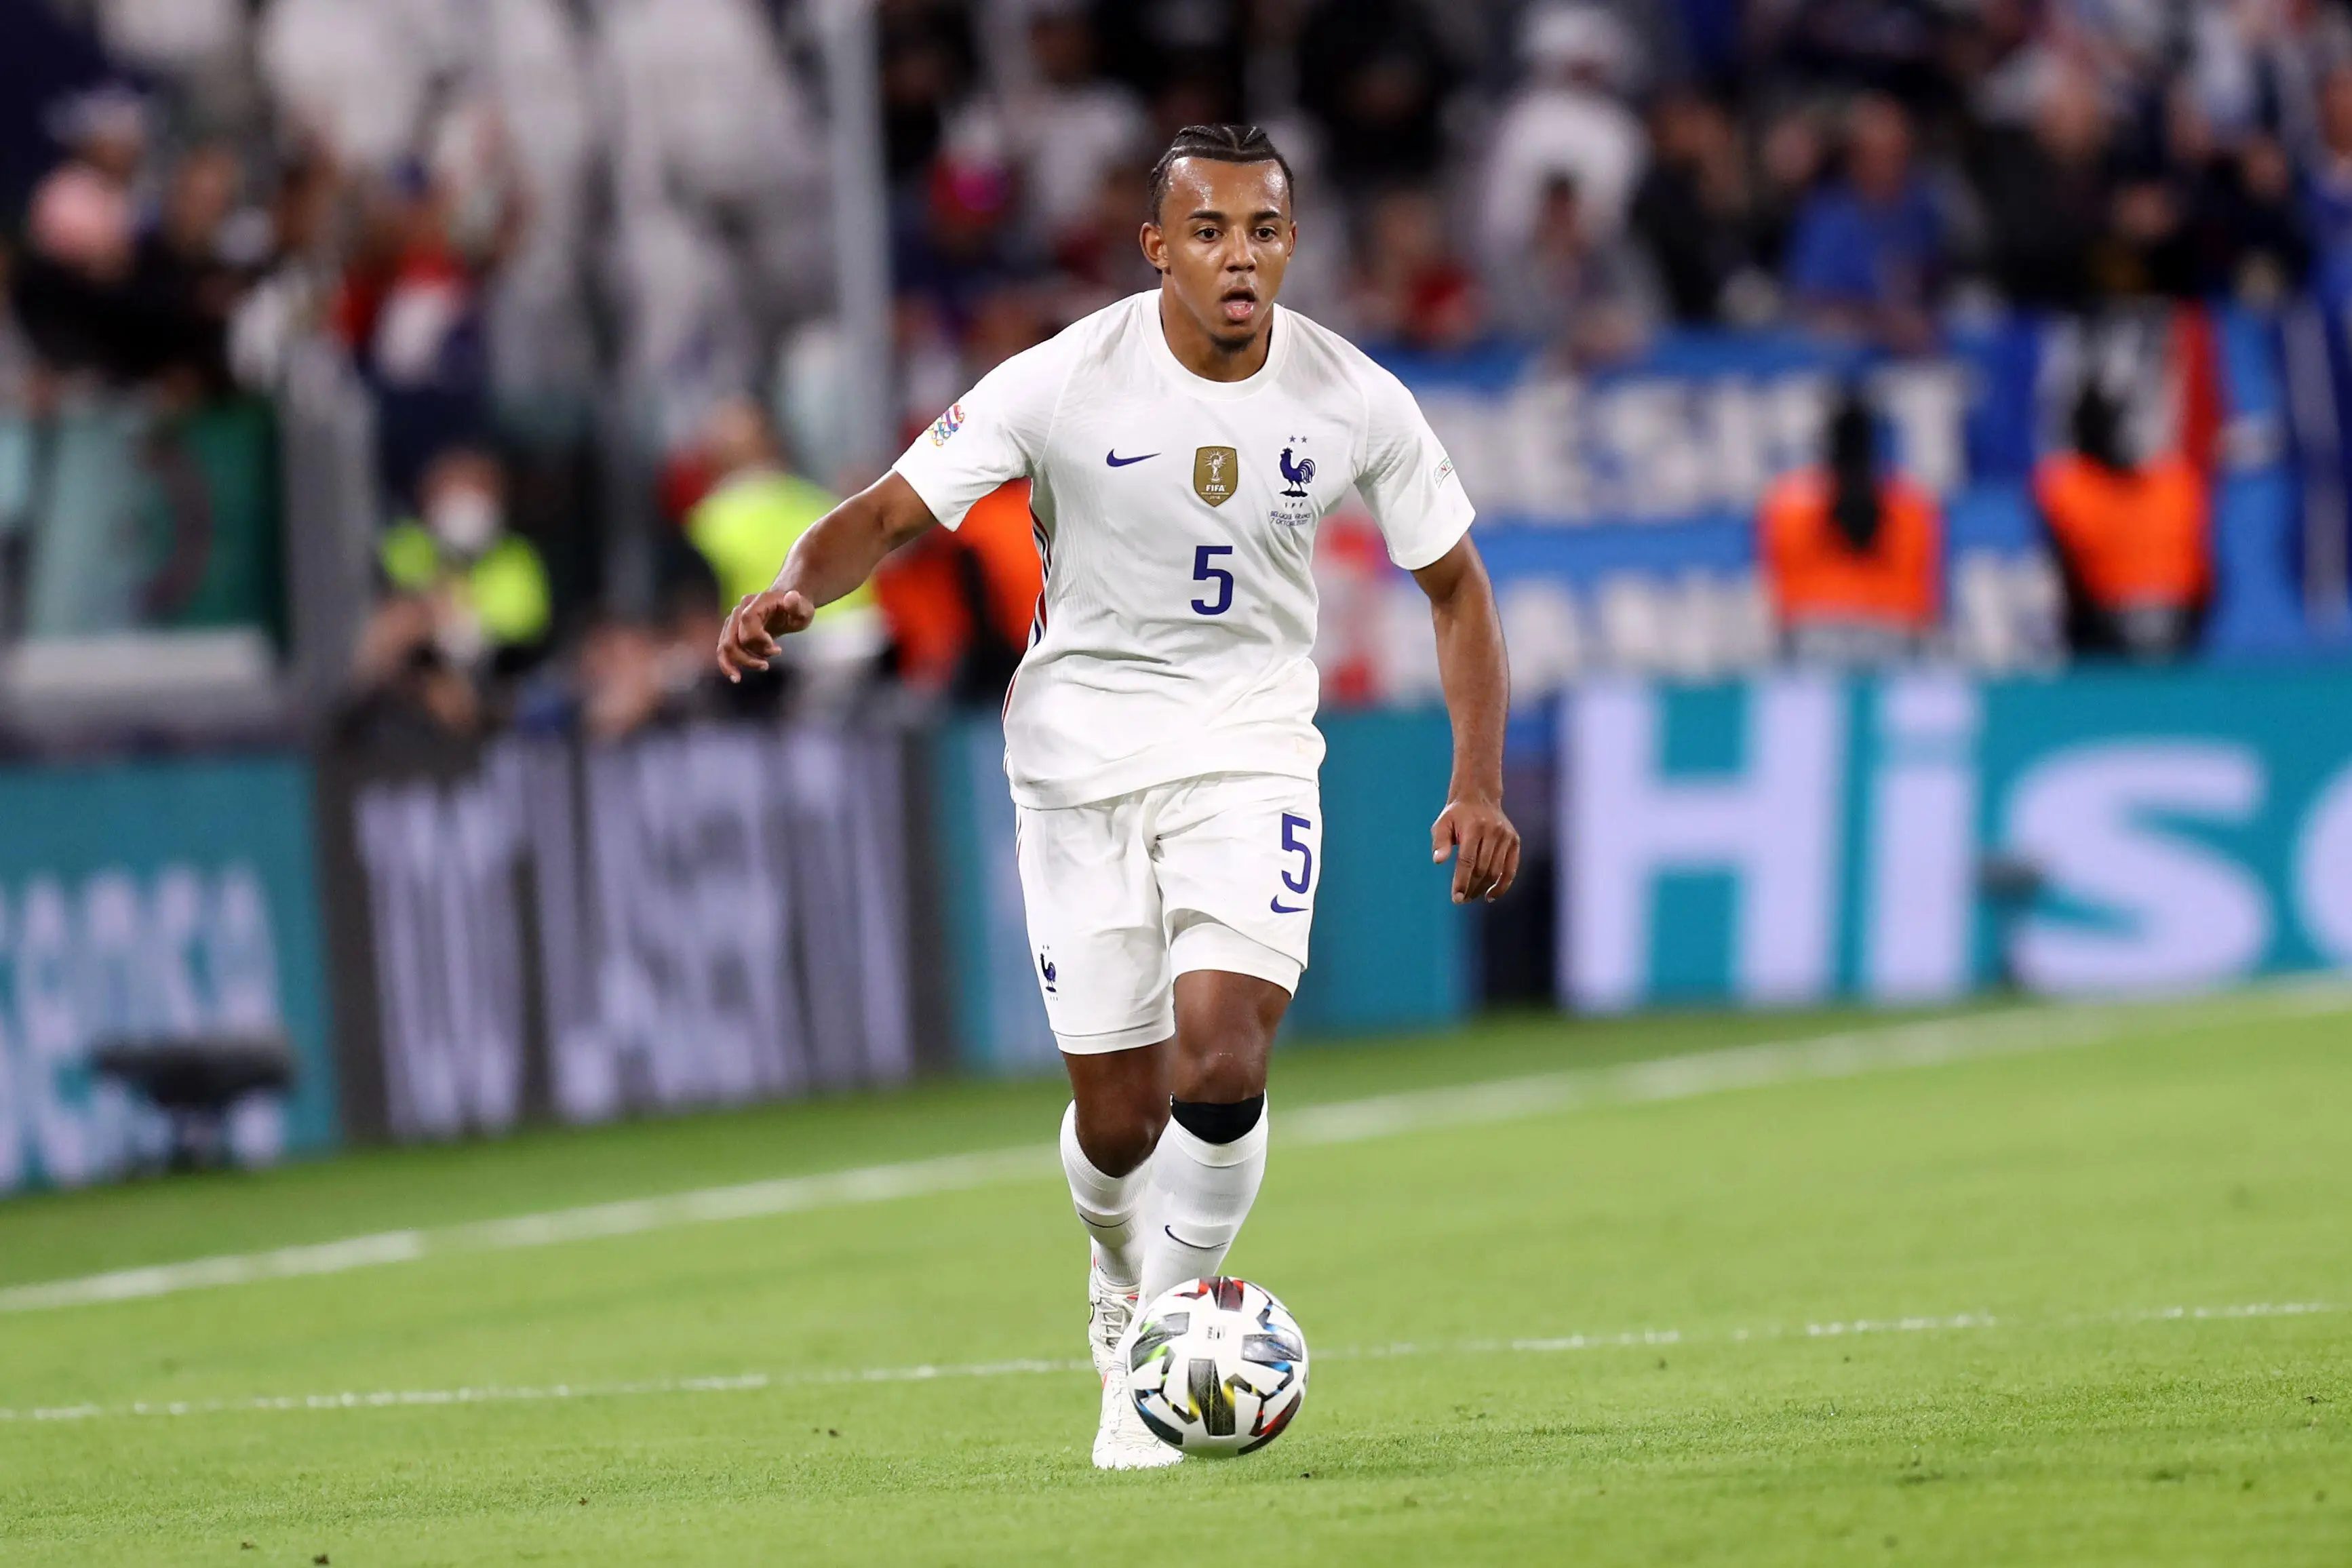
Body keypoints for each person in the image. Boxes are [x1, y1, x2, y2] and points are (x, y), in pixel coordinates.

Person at [715, 124, 1518, 1470]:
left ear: (1291, 242)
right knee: (1120, 1119)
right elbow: (892, 509)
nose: (1240, 256)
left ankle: (1155, 1343)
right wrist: (800, 579)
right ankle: (1115, 1271)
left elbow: (1457, 589)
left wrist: (1477, 779)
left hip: (1250, 753)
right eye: (1209, 231)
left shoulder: (1353, 396)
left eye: (1263, 230)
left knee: (1223, 1054)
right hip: (1078, 769)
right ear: (1158, 249)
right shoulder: (1064, 378)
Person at [1758, 389, 1941, 663]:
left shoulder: (1787, 505)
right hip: (1896, 640)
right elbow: (1923, 592)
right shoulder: (1912, 505)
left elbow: (1780, 591)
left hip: (1811, 641)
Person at [2035, 383, 2212, 661]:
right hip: (2108, 627)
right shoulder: (2069, 487)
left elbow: (2205, 575)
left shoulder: (2180, 485)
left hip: (2176, 624)